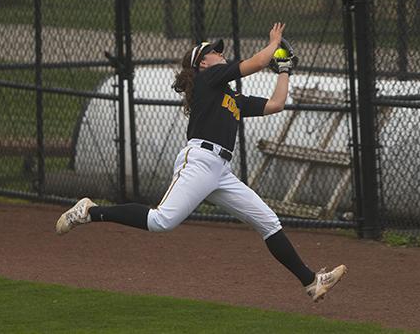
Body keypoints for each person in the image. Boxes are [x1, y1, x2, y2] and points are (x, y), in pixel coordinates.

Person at [55, 23, 346, 302]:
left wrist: (283, 69)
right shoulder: (210, 79)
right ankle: (90, 211)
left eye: (219, 51)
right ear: (202, 64)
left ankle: (311, 282)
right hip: (199, 161)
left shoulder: (229, 94)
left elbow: (276, 104)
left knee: (269, 222)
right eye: (214, 52)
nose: (221, 53)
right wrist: (274, 43)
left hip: (221, 171)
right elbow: (257, 62)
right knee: (161, 221)